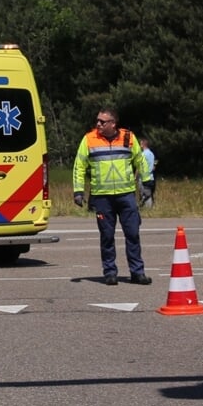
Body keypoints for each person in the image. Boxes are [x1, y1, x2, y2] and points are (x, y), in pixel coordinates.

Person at [72, 108, 152, 285]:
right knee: (107, 236)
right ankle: (110, 272)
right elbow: (79, 166)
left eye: (102, 121)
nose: (98, 124)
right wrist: (78, 191)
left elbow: (140, 161)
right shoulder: (89, 139)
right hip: (102, 197)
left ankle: (137, 272)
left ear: (113, 124)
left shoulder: (128, 138)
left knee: (132, 234)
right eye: (97, 121)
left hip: (126, 195)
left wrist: (147, 185)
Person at [141, 141, 157, 208]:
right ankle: (150, 206)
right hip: (151, 177)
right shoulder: (152, 154)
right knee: (150, 193)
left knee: (146, 193)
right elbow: (154, 165)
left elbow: (140, 165)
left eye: (140, 144)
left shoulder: (143, 154)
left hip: (145, 177)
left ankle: (147, 208)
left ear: (143, 145)